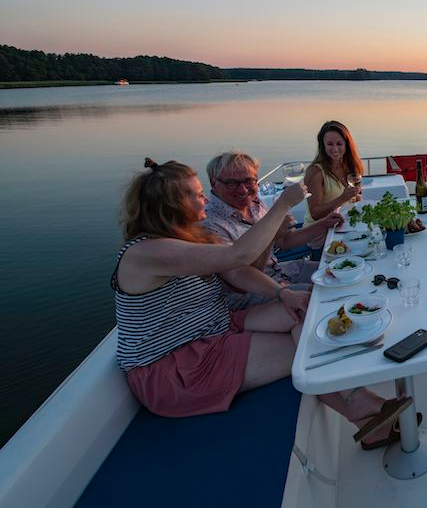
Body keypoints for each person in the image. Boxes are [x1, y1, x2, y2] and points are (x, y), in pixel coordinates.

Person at [112, 158, 410, 449]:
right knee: (305, 348)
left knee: (307, 308)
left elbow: (238, 271)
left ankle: (362, 410)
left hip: (216, 327)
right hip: (175, 367)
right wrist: (282, 205)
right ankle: (361, 407)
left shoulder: (190, 238)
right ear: (172, 204)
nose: (205, 198)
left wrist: (283, 294)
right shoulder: (146, 253)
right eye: (198, 194)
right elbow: (238, 256)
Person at [202, 150, 343, 308]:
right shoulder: (209, 224)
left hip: (281, 270)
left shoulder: (254, 202)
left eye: (249, 181)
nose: (242, 190)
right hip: (253, 292)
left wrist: (324, 223)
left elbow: (284, 241)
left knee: (343, 274)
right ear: (214, 183)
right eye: (232, 183)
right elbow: (240, 279)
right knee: (331, 294)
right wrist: (275, 230)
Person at [304, 121, 364, 225]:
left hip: (344, 224)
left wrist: (356, 198)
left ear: (347, 144)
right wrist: (343, 198)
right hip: (320, 231)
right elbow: (315, 214)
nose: (335, 149)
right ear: (323, 145)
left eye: (339, 144)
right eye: (330, 144)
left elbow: (354, 199)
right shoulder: (315, 172)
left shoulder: (352, 167)